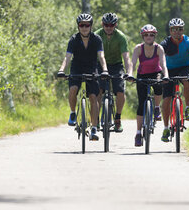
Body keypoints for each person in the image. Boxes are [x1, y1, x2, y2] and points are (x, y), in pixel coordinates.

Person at [57, 13, 108, 141]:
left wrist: (105, 70)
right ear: (78, 26)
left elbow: (101, 56)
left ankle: (94, 128)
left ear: (91, 26)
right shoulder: (73, 40)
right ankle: (73, 113)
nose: (84, 27)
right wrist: (62, 69)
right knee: (73, 89)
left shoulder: (97, 39)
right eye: (82, 25)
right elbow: (67, 57)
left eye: (87, 25)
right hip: (77, 67)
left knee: (93, 98)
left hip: (91, 67)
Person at [160, 18, 189, 142]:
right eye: (174, 30)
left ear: (183, 30)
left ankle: (187, 107)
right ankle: (165, 127)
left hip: (184, 67)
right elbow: (160, 59)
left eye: (179, 29)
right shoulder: (165, 43)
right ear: (170, 31)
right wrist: (160, 73)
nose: (177, 32)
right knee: (167, 99)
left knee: (187, 80)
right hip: (169, 69)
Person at [127, 24, 169, 147]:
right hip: (142, 75)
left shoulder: (159, 48)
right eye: (146, 35)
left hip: (156, 73)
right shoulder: (138, 48)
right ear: (143, 37)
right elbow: (132, 63)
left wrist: (165, 75)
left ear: (154, 36)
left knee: (158, 85)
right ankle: (138, 133)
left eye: (151, 35)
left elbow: (163, 64)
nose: (149, 37)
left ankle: (156, 107)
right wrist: (130, 74)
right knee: (141, 104)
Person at [94, 13, 132, 133]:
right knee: (98, 91)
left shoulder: (120, 37)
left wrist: (129, 72)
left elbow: (126, 57)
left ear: (115, 25)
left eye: (111, 25)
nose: (109, 27)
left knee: (120, 91)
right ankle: (96, 118)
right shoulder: (96, 35)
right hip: (100, 65)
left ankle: (117, 118)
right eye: (106, 25)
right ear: (102, 24)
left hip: (116, 65)